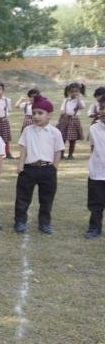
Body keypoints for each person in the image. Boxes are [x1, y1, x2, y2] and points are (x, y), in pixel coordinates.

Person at [14, 94, 64, 234]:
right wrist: (21, 165)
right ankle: (20, 221)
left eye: (40, 113)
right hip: (29, 169)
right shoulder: (28, 130)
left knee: (46, 199)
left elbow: (58, 151)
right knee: (23, 197)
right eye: (34, 113)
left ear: (49, 115)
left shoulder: (55, 132)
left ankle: (45, 223)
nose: (36, 116)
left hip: (47, 169)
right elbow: (23, 148)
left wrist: (54, 168)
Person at [85, 93, 105, 239]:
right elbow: (93, 149)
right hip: (97, 172)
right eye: (102, 107)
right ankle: (94, 227)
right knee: (96, 203)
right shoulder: (94, 128)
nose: (103, 111)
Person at [57, 82, 86, 159]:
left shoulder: (80, 101)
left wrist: (78, 99)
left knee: (72, 139)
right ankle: (61, 154)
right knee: (62, 137)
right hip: (65, 120)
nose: (74, 93)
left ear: (79, 91)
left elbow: (82, 107)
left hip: (74, 120)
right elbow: (62, 110)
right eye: (72, 91)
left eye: (76, 91)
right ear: (68, 92)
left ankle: (70, 154)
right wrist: (64, 114)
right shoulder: (66, 100)